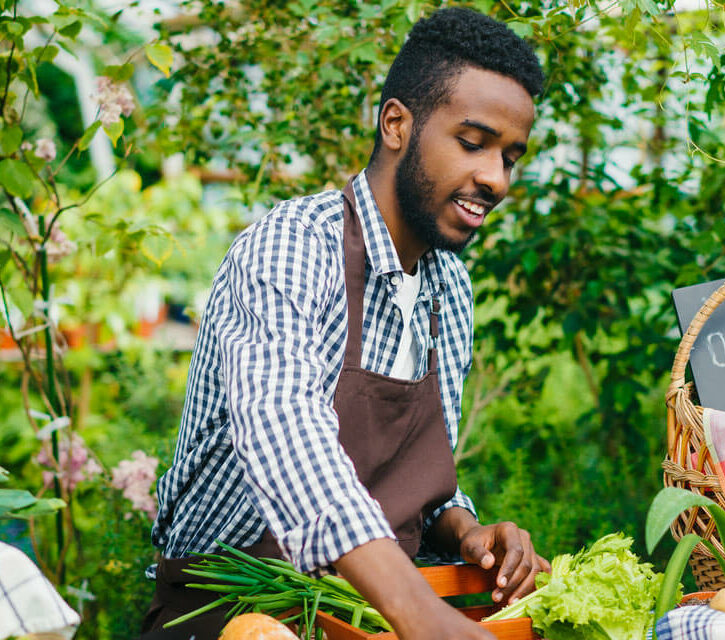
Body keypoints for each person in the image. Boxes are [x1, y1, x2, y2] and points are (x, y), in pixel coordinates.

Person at [143, 7, 547, 639]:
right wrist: (421, 614)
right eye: (473, 143)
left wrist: (466, 529)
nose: (494, 178)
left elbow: (417, 486)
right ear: (396, 124)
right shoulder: (295, 247)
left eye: (510, 157)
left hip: (369, 617)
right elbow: (288, 437)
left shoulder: (450, 290)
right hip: (232, 613)